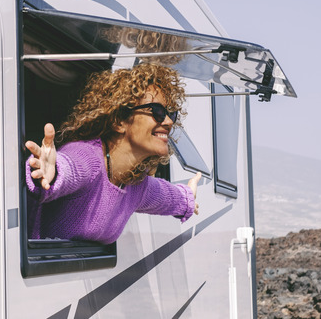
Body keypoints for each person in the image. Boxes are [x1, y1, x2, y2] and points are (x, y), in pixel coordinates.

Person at [25, 63, 200, 244]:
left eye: (171, 114)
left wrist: (187, 196)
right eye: (157, 111)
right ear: (119, 121)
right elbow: (70, 168)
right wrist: (52, 172)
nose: (168, 122)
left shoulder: (135, 185)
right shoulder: (89, 158)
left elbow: (168, 197)